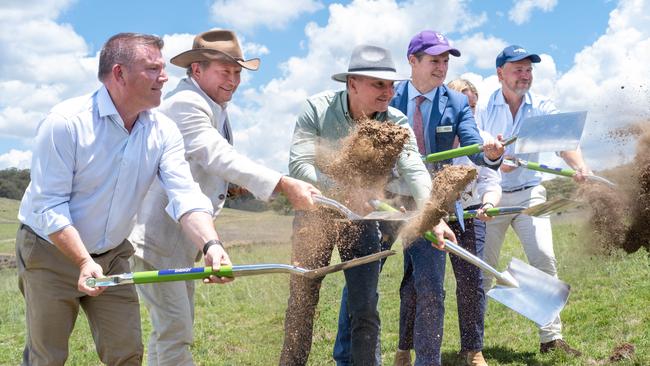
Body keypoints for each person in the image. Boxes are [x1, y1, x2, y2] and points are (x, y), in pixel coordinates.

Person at [15, 33, 232, 366]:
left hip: (113, 256)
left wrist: (210, 245)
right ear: (119, 73)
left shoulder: (163, 131)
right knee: (48, 356)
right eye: (153, 69)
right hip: (50, 252)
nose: (165, 77)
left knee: (126, 353)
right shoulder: (65, 124)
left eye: (162, 68)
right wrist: (83, 261)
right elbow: (48, 206)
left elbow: (185, 195)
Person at [127, 29, 320, 366]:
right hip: (158, 238)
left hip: (179, 240)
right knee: (175, 330)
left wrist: (231, 186)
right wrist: (281, 183)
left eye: (236, 73)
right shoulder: (187, 103)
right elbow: (215, 154)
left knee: (169, 329)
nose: (232, 80)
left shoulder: (212, 103)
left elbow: (205, 163)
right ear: (197, 70)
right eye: (224, 71)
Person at [281, 44, 456, 366]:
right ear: (352, 84)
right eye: (378, 84)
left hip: (361, 220)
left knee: (365, 307)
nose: (388, 92)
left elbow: (414, 168)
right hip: (314, 215)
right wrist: (340, 191)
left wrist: (434, 214)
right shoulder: (316, 110)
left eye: (391, 84)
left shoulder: (395, 121)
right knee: (302, 301)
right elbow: (299, 163)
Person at [476, 45, 590, 356]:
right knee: (482, 270)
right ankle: (473, 347)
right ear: (501, 73)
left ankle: (550, 339)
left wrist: (578, 166)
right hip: (491, 197)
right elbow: (475, 150)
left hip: (530, 193)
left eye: (528, 69)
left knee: (544, 259)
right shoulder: (484, 108)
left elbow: (564, 141)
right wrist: (495, 158)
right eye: (518, 69)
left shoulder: (541, 106)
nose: (525, 75)